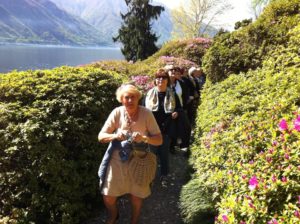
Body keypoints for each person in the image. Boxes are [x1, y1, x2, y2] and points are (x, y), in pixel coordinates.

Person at [98, 84, 162, 224]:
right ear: (121, 99)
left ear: (138, 98)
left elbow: (159, 140)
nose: (130, 100)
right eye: (127, 97)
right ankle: (113, 216)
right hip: (117, 159)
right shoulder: (117, 112)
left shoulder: (146, 113)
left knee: (137, 196)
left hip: (139, 159)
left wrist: (145, 138)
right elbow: (101, 136)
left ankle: (134, 221)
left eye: (133, 97)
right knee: (108, 195)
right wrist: (115, 135)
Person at [144, 69, 177, 186]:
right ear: (155, 80)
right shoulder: (149, 94)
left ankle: (164, 175)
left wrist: (176, 112)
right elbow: (144, 112)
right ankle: (150, 177)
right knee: (151, 156)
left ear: (167, 80)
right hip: (152, 131)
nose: (160, 80)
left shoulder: (172, 93)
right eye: (158, 77)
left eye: (163, 78)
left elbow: (179, 108)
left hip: (166, 129)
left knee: (164, 155)